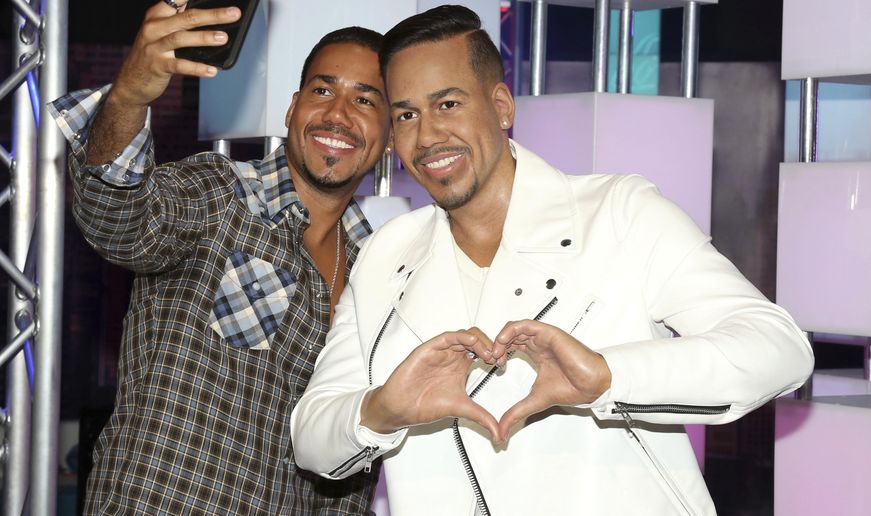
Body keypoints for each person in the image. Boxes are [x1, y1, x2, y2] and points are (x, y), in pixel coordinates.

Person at [290, 5, 814, 516]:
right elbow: (312, 436)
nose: (426, 137)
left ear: (501, 106)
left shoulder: (617, 212)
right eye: (406, 114)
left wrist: (610, 377)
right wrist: (382, 409)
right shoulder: (386, 251)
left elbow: (779, 348)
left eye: (448, 104)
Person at [50, 1, 391, 514]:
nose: (338, 113)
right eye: (323, 90)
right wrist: (128, 98)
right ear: (292, 108)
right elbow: (117, 217)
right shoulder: (221, 194)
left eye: (365, 100)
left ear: (388, 136)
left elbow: (349, 459)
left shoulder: (378, 273)